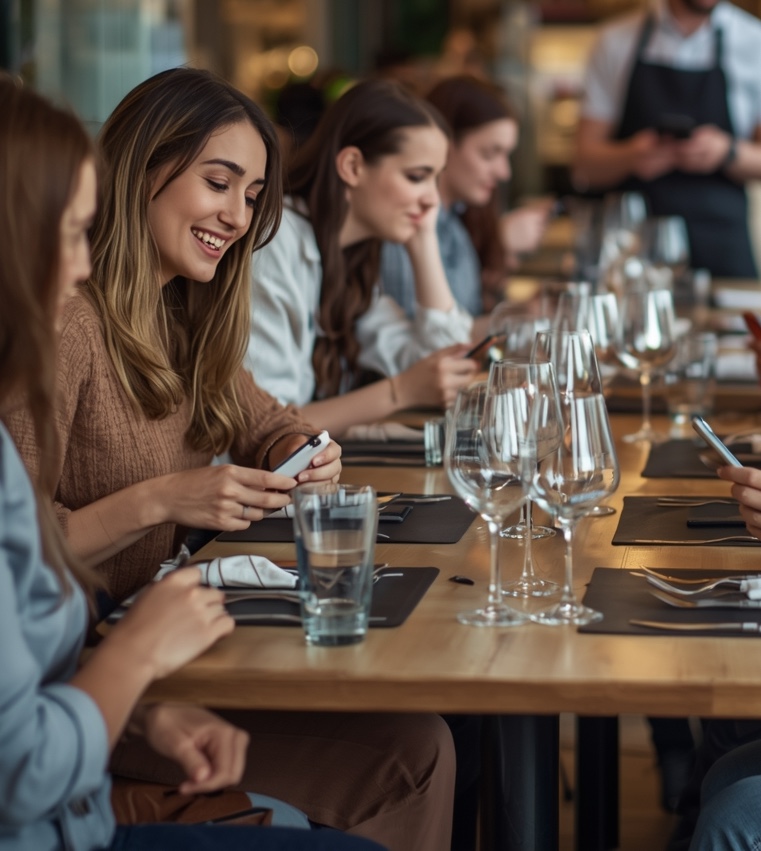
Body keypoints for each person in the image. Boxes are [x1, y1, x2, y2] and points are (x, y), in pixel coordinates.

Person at [2, 68, 457, 851]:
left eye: (251, 197)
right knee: (408, 755)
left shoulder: (184, 314)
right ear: (144, 169)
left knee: (416, 746)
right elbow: (27, 561)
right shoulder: (66, 325)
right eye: (220, 183)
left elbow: (272, 423)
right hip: (84, 674)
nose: (238, 216)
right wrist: (163, 500)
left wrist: (301, 455)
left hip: (149, 662)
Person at [246, 78, 478, 437]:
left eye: (436, 180)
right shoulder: (277, 240)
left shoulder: (351, 254)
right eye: (417, 177)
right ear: (353, 166)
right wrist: (400, 391)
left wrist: (423, 242)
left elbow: (444, 367)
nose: (433, 200)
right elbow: (266, 427)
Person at [573, 0, 761, 279]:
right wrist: (631, 156)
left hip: (723, 248)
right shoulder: (615, 41)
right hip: (633, 255)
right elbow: (583, 165)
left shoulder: (754, 41)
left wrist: (727, 152)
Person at [381, 75, 552, 322]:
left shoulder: (456, 220)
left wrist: (522, 312)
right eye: (489, 154)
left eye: (506, 155)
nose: (504, 172)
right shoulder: (404, 227)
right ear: (443, 144)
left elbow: (462, 322)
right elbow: (424, 342)